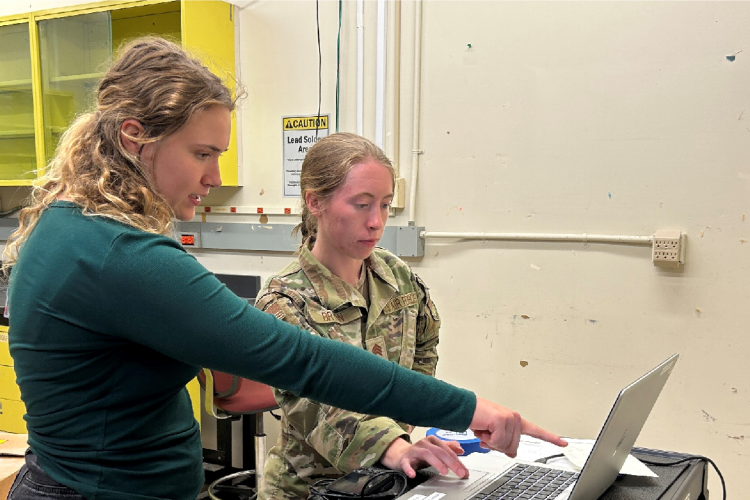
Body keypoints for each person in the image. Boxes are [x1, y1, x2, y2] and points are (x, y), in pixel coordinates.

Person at [1, 37, 565, 500]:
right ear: (134, 137)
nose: (215, 176)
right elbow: (297, 360)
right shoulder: (116, 254)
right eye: (202, 153)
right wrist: (469, 408)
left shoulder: (72, 226)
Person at [255, 133, 474, 500]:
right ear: (315, 202)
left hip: (384, 481)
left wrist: (405, 419)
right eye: (361, 204)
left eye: (386, 205)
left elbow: (424, 343)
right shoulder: (285, 301)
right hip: (310, 489)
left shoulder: (396, 275)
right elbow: (313, 408)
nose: (376, 221)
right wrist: (393, 446)